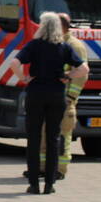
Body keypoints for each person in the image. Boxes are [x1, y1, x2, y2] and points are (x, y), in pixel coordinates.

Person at [9, 12, 89, 194]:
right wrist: (67, 76)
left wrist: (24, 77)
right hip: (56, 95)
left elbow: (14, 62)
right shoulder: (64, 47)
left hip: (35, 93)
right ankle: (50, 184)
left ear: (43, 26)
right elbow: (84, 69)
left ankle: (34, 184)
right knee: (54, 139)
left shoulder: (34, 45)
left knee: (34, 139)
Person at [36, 12, 88, 180]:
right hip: (51, 97)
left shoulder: (74, 46)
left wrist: (71, 97)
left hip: (65, 100)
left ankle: (59, 169)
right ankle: (43, 168)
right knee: (45, 134)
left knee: (62, 136)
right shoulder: (54, 42)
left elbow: (82, 75)